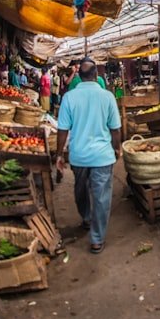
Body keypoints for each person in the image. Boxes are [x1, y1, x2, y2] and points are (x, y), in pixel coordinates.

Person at [55, 58, 121, 254]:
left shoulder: (69, 97)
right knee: (101, 197)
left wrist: (59, 154)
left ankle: (85, 217)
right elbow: (115, 128)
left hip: (79, 155)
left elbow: (62, 130)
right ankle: (96, 239)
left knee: (80, 189)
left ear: (80, 77)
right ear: (96, 75)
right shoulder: (107, 96)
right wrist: (116, 148)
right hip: (102, 155)